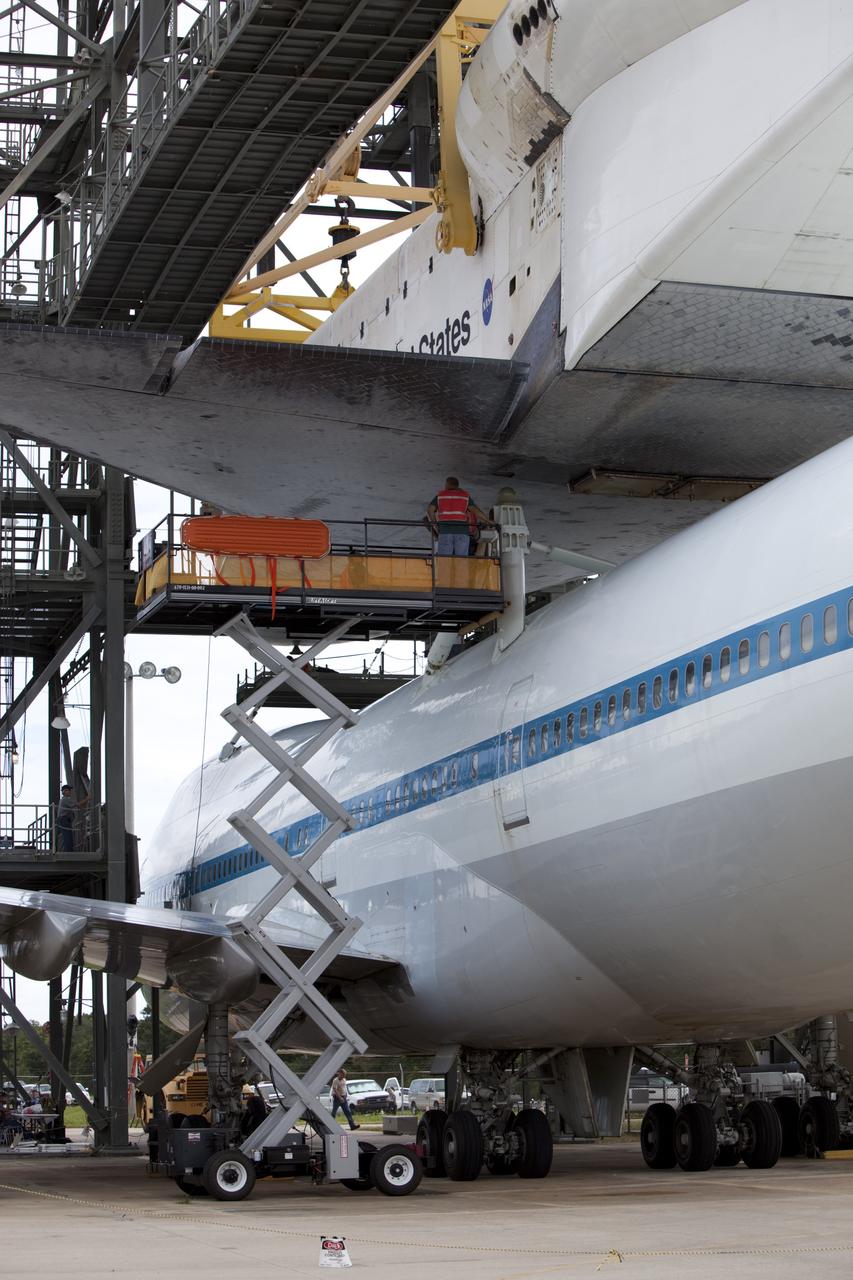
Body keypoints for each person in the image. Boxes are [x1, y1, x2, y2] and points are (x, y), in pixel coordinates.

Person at [427, 477, 493, 557]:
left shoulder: (440, 495)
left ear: (446, 484)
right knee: (461, 559)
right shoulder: (464, 496)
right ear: (457, 486)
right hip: (462, 532)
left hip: (445, 531)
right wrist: (488, 520)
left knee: (444, 560)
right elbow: (475, 510)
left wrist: (435, 524)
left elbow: (430, 509)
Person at [56, 784, 77, 853]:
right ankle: (68, 851)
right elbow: (77, 805)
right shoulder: (65, 800)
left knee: (67, 835)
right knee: (67, 836)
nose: (70, 792)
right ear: (64, 791)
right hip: (64, 819)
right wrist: (87, 799)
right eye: (68, 790)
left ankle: (68, 850)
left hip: (63, 819)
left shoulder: (63, 800)